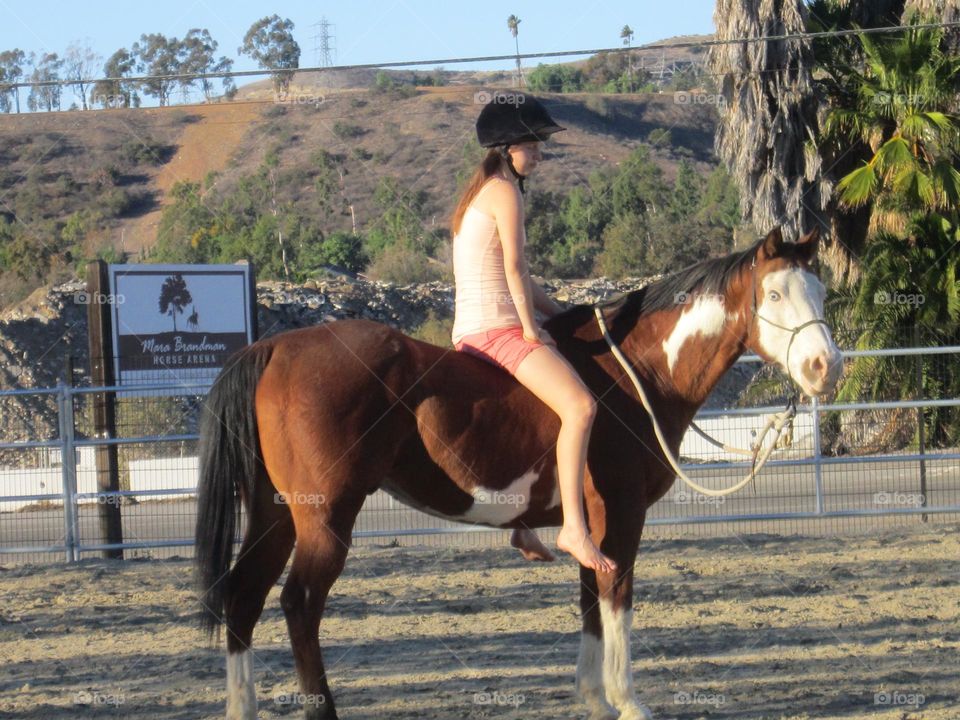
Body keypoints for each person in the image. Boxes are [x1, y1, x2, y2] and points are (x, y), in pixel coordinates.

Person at [450, 93, 616, 574]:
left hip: (470, 329)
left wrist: (560, 312)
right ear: (507, 148)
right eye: (534, 144)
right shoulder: (505, 191)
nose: (540, 152)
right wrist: (529, 329)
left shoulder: (481, 191)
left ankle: (522, 520)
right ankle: (574, 529)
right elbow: (517, 269)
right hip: (497, 330)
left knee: (547, 409)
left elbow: (520, 277)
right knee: (582, 407)